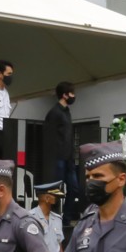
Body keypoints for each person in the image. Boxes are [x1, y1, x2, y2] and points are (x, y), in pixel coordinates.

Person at [42, 81, 80, 220]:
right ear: (64, 95)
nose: (74, 96)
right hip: (58, 157)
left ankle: (66, 218)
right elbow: (48, 136)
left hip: (68, 157)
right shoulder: (54, 112)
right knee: (55, 190)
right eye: (72, 93)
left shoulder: (66, 111)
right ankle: (52, 218)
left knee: (74, 188)